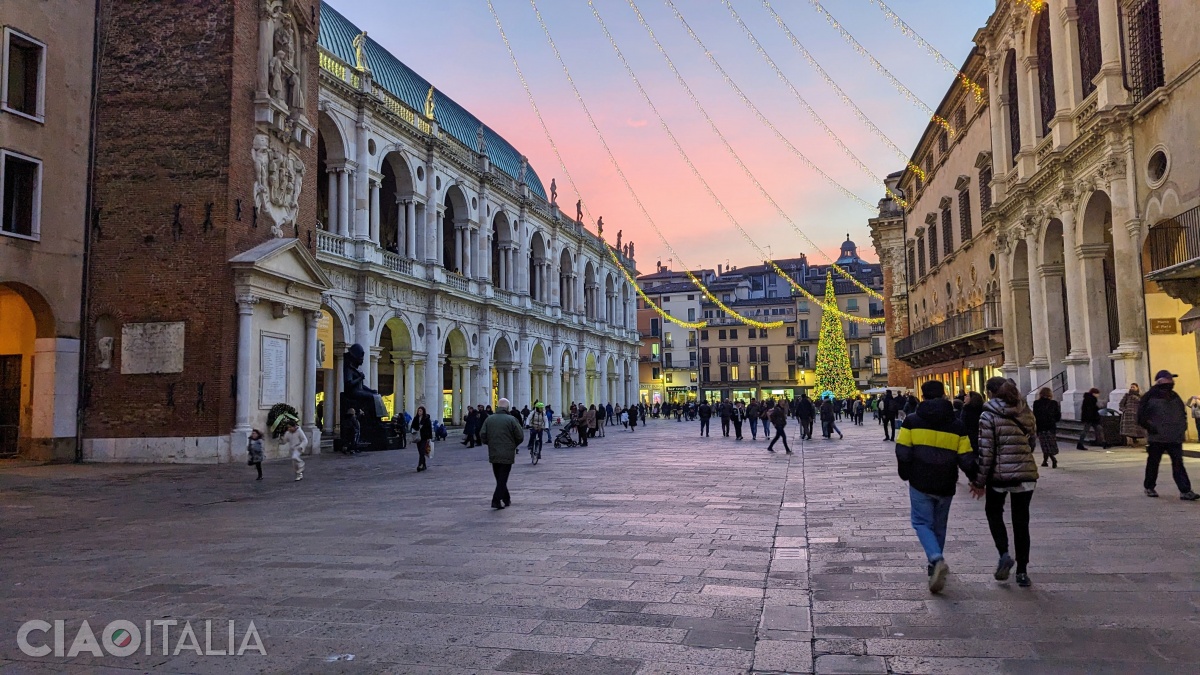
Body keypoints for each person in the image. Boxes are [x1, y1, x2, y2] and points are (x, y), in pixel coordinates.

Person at [895, 380, 976, 594]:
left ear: (922, 395)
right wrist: (976, 478)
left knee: (921, 522)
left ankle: (936, 558)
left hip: (920, 480)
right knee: (939, 526)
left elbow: (902, 450)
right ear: (943, 395)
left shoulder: (912, 421)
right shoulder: (956, 424)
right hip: (946, 482)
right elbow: (966, 456)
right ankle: (934, 567)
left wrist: (905, 472)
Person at [972, 377, 1039, 588]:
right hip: (1026, 474)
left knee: (994, 512)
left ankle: (1003, 554)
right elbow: (1032, 441)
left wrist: (979, 481)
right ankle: (1022, 571)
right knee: (1021, 522)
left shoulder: (988, 414)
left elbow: (986, 451)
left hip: (999, 475)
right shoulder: (1025, 410)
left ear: (990, 393)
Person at [1138, 370, 1199, 500]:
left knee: (1178, 464)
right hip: (1157, 437)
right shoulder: (1150, 396)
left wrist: (1182, 428)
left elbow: (1182, 414)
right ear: (1160, 381)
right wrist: (1152, 429)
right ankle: (1149, 487)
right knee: (1153, 463)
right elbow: (1141, 417)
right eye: (1169, 379)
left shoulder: (1175, 396)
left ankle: (1185, 490)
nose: (1172, 382)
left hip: (1174, 437)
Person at [481, 398, 523, 509]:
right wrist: (513, 445)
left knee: (499, 477)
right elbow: (520, 436)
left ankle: (506, 498)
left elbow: (483, 435)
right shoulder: (512, 419)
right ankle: (496, 500)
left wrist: (490, 443)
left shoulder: (489, 419)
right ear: (507, 408)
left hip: (493, 452)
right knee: (502, 478)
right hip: (507, 453)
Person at [1032, 388, 1061, 468]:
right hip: (1051, 426)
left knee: (1044, 444)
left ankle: (1050, 459)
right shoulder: (1054, 403)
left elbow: (1035, 415)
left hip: (1041, 426)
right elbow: (1058, 416)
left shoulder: (1036, 403)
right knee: (1050, 443)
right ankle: (1047, 460)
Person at [410, 405, 432, 472]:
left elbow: (429, 428)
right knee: (420, 451)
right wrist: (416, 428)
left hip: (424, 437)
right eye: (418, 411)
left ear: (423, 411)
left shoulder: (426, 419)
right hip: (418, 437)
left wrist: (429, 437)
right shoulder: (416, 418)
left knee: (422, 450)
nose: (419, 412)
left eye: (420, 411)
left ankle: (420, 465)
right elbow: (412, 426)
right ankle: (424, 464)